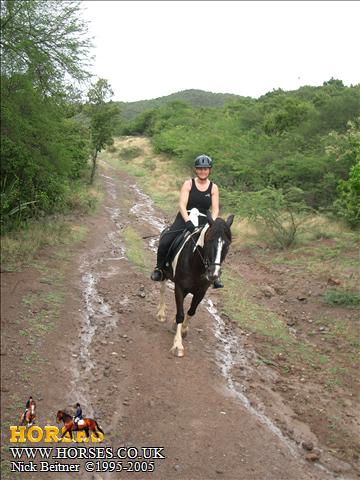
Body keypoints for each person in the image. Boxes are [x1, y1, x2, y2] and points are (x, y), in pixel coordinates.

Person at [151, 154, 224, 288]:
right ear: (196, 170)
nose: (203, 171)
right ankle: (160, 269)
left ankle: (215, 276)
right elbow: (182, 205)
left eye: (206, 169)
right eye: (200, 169)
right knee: (166, 239)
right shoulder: (188, 184)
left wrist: (212, 223)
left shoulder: (214, 188)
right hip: (185, 217)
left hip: (204, 220)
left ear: (209, 170)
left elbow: (215, 209)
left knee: (215, 245)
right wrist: (188, 222)